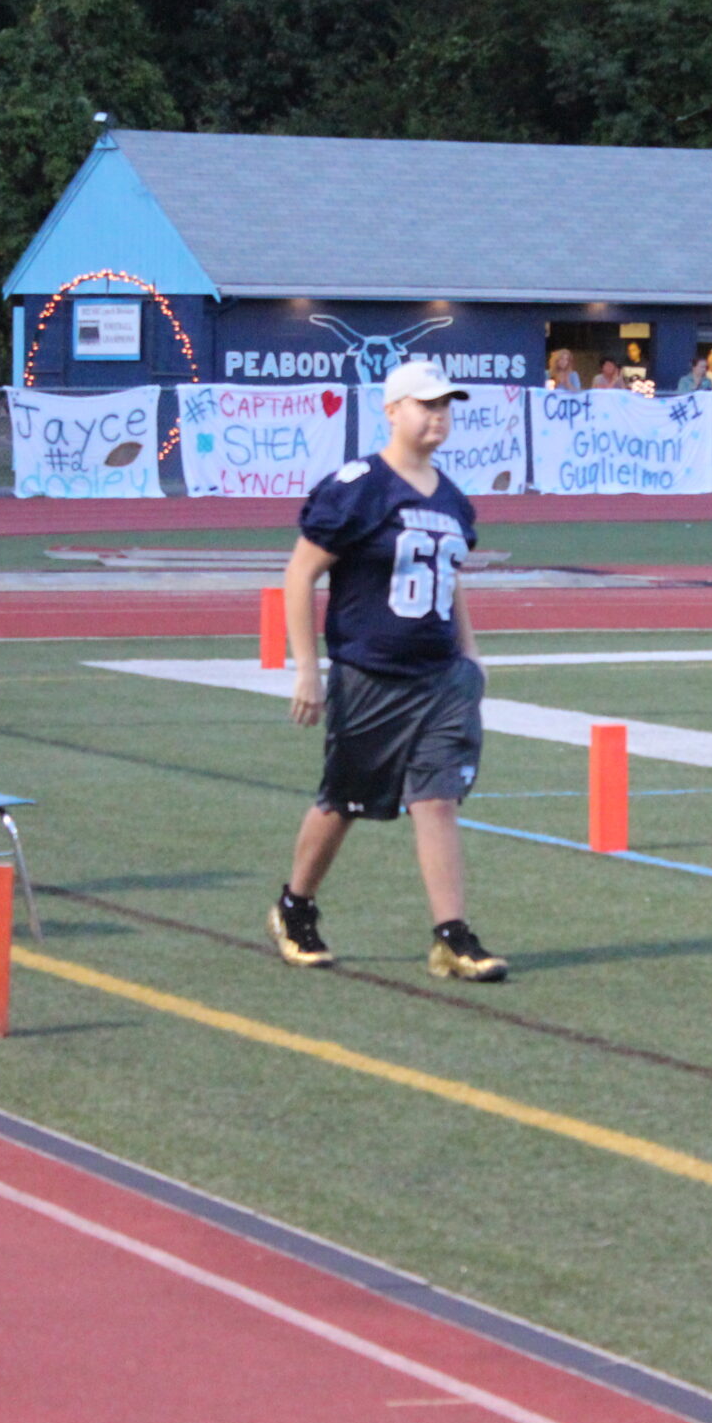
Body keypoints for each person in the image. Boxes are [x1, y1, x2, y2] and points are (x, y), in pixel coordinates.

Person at [270, 358, 508, 982]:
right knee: (343, 801)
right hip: (371, 673)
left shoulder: (451, 497)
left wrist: (471, 653)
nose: (438, 416)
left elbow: (448, 579)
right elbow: (300, 574)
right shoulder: (358, 486)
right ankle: (295, 906)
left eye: (445, 406)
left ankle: (452, 936)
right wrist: (306, 669)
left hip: (440, 677)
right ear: (393, 410)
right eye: (426, 405)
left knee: (437, 800)